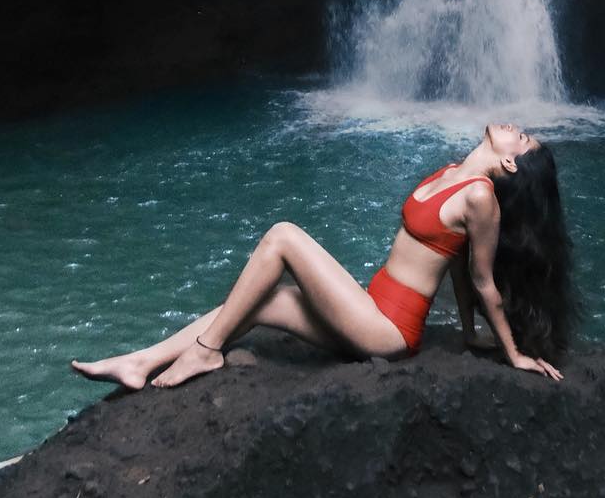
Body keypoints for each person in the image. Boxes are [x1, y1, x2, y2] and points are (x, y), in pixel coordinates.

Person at [71, 122, 574, 389]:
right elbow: (458, 267)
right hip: (370, 307)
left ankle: (205, 353)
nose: (515, 126)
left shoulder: (481, 197)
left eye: (522, 137)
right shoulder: (451, 172)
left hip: (389, 331)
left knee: (283, 236)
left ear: (511, 163)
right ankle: (142, 361)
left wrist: (512, 354)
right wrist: (466, 333)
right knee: (262, 302)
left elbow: (482, 280)